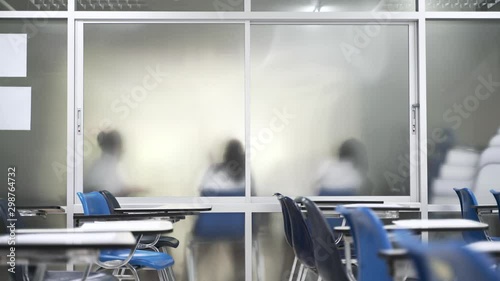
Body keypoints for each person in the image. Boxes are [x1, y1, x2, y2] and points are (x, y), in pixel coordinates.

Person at [84, 130, 144, 196]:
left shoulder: (103, 163)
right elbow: (109, 193)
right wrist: (131, 190)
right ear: (116, 146)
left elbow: (118, 186)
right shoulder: (106, 165)